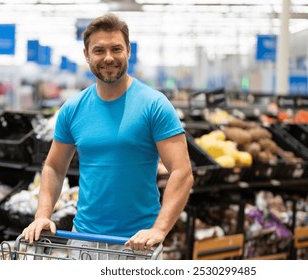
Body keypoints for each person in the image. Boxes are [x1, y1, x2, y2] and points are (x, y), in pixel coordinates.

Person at [22, 13, 194, 256]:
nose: (109, 57)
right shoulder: (73, 108)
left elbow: (182, 172)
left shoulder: (154, 104)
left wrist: (159, 229)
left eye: (116, 49)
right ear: (86, 55)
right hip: (82, 239)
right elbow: (53, 167)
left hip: (136, 245)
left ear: (128, 51)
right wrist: (42, 215)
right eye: (99, 50)